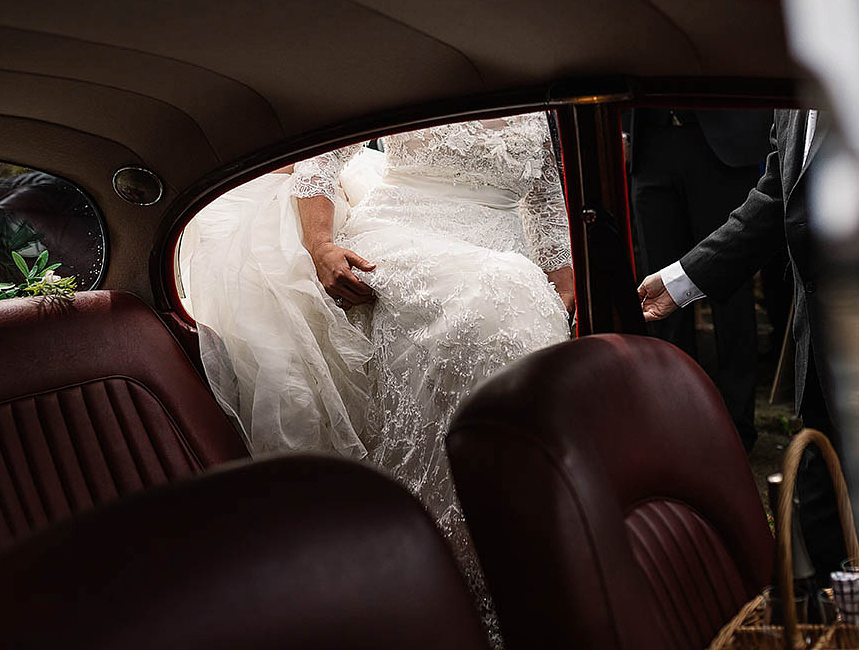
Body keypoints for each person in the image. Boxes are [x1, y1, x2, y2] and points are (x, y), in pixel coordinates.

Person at [182, 113, 574, 636]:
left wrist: (565, 288)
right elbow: (320, 162)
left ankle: (514, 556)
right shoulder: (405, 64)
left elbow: (547, 204)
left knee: (518, 298)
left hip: (506, 252)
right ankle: (434, 566)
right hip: (401, 233)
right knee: (498, 291)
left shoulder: (534, 84)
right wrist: (321, 246)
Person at [636, 107, 850, 575]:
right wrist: (680, 282)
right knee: (820, 536)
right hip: (822, 361)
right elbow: (776, 199)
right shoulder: (789, 103)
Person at [627, 108, 773, 451]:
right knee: (660, 293)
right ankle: (676, 428)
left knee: (732, 294)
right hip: (651, 140)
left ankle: (737, 432)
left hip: (721, 145)